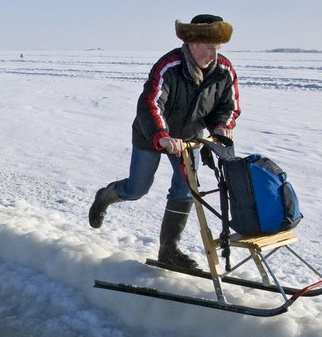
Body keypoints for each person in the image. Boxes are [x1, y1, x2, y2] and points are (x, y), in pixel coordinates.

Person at [88, 14, 240, 270]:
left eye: (218, 49)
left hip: (189, 138)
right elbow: (150, 103)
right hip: (152, 134)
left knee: (185, 190)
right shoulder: (169, 66)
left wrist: (221, 127)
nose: (214, 55)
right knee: (137, 189)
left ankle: (168, 251)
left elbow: (228, 106)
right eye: (209, 48)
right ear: (192, 44)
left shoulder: (223, 70)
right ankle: (105, 196)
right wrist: (163, 135)